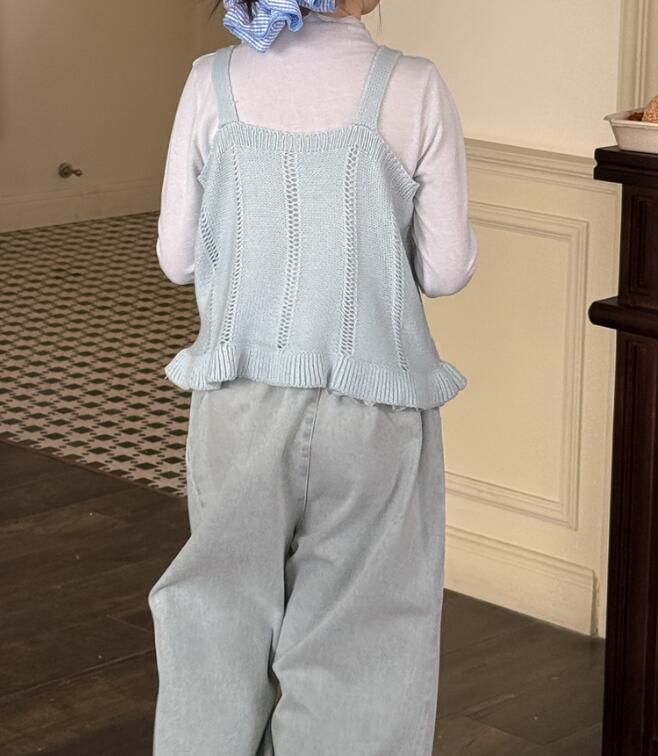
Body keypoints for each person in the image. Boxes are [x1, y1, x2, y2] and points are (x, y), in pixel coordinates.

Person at [148, 0, 478, 753]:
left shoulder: (210, 82)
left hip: (239, 400)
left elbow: (177, 258)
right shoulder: (414, 86)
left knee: (216, 617)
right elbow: (446, 270)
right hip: (374, 404)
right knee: (363, 631)